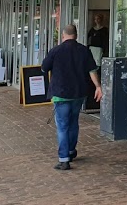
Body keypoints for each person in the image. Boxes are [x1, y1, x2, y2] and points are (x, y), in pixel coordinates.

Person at [41, 24, 102, 171]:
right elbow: (92, 70)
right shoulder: (84, 50)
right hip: (79, 93)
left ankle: (64, 160)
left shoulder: (56, 51)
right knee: (73, 123)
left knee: (62, 126)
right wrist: (98, 87)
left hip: (60, 94)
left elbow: (44, 68)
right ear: (76, 35)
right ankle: (70, 151)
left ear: (63, 35)